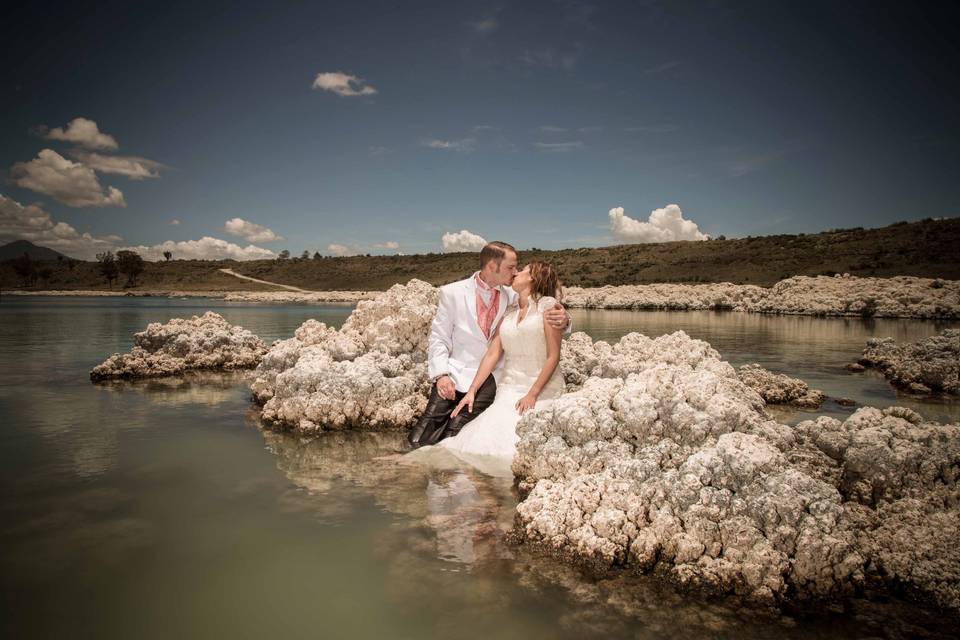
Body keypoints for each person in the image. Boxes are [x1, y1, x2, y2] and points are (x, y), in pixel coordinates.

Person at [407, 242, 569, 448]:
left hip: (494, 377)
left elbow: (543, 313)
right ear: (493, 267)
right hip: (457, 372)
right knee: (423, 430)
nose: (515, 272)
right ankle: (408, 467)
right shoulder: (451, 293)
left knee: (456, 432)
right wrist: (441, 375)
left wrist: (565, 319)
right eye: (511, 268)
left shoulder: (512, 295)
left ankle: (444, 473)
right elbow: (439, 337)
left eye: (518, 269)